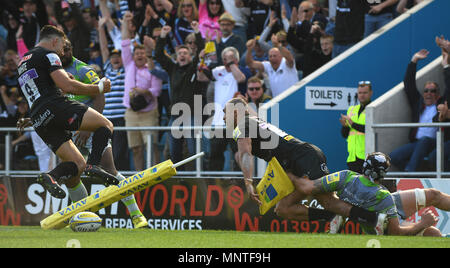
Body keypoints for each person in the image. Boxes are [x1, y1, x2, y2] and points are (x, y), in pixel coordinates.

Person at [225, 98, 387, 234]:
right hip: (293, 164)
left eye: (225, 112)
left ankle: (375, 219)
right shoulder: (250, 122)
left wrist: (248, 181)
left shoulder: (243, 124)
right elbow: (243, 154)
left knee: (328, 201)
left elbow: (246, 154)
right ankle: (332, 216)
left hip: (303, 158)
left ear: (235, 111)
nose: (224, 118)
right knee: (283, 209)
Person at [16, 25, 115, 201]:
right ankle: (94, 165)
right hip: (55, 106)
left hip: (40, 118)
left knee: (77, 165)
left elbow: (39, 91)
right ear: (55, 41)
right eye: (62, 46)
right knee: (105, 125)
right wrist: (99, 87)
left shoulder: (23, 61)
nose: (62, 52)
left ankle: (53, 176)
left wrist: (32, 119)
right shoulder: (49, 54)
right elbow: (68, 87)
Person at [313, 152, 440, 236]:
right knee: (433, 229)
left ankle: (338, 216)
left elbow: (312, 187)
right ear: (383, 173)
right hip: (386, 217)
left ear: (365, 166)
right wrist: (422, 223)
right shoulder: (383, 195)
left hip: (384, 214)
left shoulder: (346, 176)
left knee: (433, 197)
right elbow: (395, 231)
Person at [155, 23, 205, 166]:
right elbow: (158, 54)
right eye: (180, 53)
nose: (182, 55)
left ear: (190, 57)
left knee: (193, 150)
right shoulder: (172, 68)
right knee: (174, 152)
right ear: (176, 57)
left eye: (185, 53)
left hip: (192, 115)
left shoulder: (193, 67)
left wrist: (197, 31)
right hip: (175, 116)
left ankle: (198, 178)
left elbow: (201, 49)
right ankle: (177, 180)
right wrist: (163, 35)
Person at [121, 11, 162, 171]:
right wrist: (125, 23)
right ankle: (139, 178)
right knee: (136, 148)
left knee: (151, 146)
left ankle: (156, 175)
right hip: (130, 112)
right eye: (136, 53)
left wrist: (143, 91)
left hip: (149, 112)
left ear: (146, 55)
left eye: (142, 53)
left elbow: (157, 91)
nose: (139, 55)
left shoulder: (153, 68)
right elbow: (125, 43)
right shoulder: (129, 64)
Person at [198, 46, 249, 171]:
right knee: (215, 155)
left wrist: (232, 63)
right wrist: (201, 61)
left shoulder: (242, 70)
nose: (227, 61)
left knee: (238, 153)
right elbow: (201, 77)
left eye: (230, 58)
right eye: (225, 59)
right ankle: (215, 183)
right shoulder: (218, 70)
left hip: (236, 122)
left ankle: (239, 183)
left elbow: (240, 78)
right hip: (219, 121)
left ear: (236, 59)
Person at [389, 49, 442, 172]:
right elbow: (408, 84)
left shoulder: (442, 103)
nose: (429, 93)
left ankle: (410, 174)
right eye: (426, 91)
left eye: (432, 91)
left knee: (424, 140)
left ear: (438, 94)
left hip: (434, 143)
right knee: (393, 157)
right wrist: (414, 61)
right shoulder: (418, 104)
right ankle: (415, 173)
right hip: (417, 143)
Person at [98, 15, 130, 171]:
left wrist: (124, 27)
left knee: (118, 153)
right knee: (106, 152)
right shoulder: (108, 69)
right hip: (106, 119)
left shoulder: (127, 70)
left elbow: (125, 47)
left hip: (120, 118)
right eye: (113, 57)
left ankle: (119, 179)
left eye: (118, 56)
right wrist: (100, 28)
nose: (115, 59)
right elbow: (104, 48)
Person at [339, 81, 373, 173]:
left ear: (371, 93)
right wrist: (345, 126)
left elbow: (370, 129)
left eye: (365, 93)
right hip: (352, 156)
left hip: (367, 156)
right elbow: (345, 135)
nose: (362, 95)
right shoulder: (352, 109)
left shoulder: (373, 108)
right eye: (360, 93)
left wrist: (352, 123)